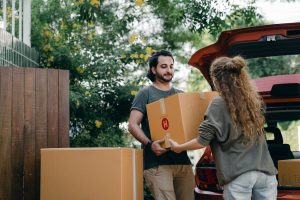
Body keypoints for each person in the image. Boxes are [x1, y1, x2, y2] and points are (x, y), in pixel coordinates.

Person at [169, 56, 278, 200]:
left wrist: (179, 147)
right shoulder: (252, 100)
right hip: (266, 175)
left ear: (215, 79)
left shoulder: (218, 104)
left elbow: (202, 141)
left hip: (239, 175)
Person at [128, 50, 195, 200]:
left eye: (171, 66)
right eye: (163, 66)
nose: (169, 70)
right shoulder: (146, 93)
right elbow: (132, 125)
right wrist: (150, 144)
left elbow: (189, 126)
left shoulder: (180, 94)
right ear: (153, 69)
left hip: (182, 162)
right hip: (157, 164)